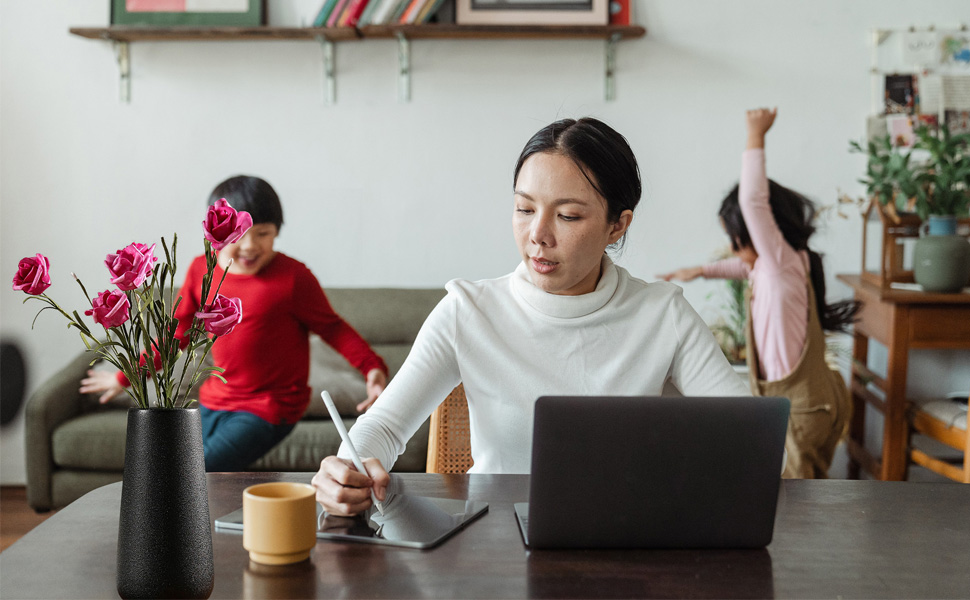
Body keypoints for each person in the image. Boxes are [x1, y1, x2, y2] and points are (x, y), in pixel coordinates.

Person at [312, 118, 750, 516]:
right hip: (495, 550)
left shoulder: (662, 313)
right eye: (524, 209)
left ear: (618, 225)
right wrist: (347, 468)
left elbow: (746, 435)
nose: (538, 235)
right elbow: (385, 426)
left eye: (568, 215)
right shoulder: (469, 311)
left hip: (626, 542)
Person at [80, 175, 389, 471]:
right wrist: (126, 376)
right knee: (175, 470)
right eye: (238, 235)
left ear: (277, 232)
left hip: (269, 408)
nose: (250, 246)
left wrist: (371, 368)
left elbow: (332, 328)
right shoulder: (202, 270)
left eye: (263, 234)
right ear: (213, 233)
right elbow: (177, 335)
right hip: (215, 400)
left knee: (195, 470)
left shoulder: (293, 278)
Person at [658, 108, 860, 479]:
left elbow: (752, 201)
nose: (734, 252)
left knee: (796, 501)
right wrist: (701, 270)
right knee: (787, 494)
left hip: (801, 409)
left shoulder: (780, 261)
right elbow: (743, 267)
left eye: (735, 240)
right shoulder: (780, 267)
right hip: (800, 401)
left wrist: (755, 136)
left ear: (758, 233)